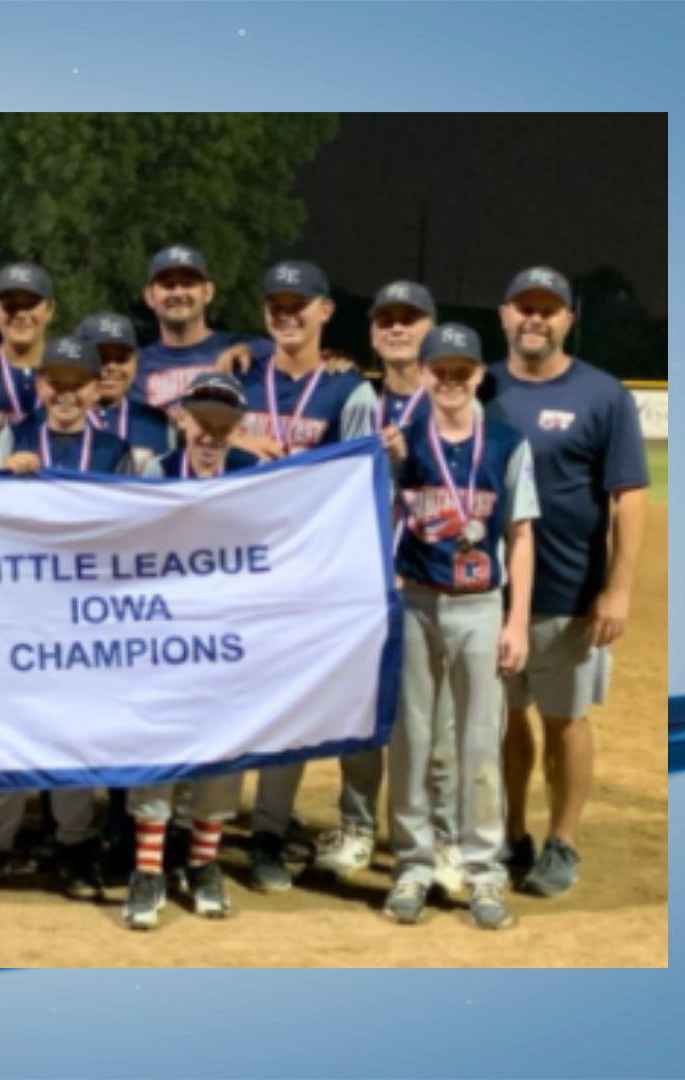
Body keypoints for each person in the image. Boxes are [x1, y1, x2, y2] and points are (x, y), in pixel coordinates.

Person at [0, 336, 162, 902]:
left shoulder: (116, 449)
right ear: (40, 386)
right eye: (57, 382)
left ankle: (75, 843)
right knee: (8, 723)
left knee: (76, 728)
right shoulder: (16, 437)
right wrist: (6, 477)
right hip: (18, 605)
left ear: (98, 389)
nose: (67, 392)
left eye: (79, 382)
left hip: (84, 608)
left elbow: (133, 526)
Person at [486, 266, 649, 899]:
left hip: (567, 591)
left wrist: (618, 588)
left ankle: (564, 840)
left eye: (548, 309)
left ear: (566, 320)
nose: (535, 318)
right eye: (524, 306)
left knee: (565, 720)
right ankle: (510, 832)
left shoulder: (602, 394)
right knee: (502, 721)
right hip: (485, 593)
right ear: (504, 315)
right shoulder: (477, 386)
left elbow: (628, 499)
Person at [383, 323, 536, 932]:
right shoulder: (404, 442)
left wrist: (517, 620)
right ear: (422, 374)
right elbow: (381, 516)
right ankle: (413, 866)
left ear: (478, 374)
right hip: (417, 602)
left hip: (479, 605)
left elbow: (521, 536)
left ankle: (483, 872)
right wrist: (389, 465)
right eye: (438, 370)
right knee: (412, 740)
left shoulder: (505, 441)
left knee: (479, 747)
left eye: (461, 370)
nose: (449, 381)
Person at [237, 259, 381, 894]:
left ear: (326, 311)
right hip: (232, 567)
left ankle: (268, 830)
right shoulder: (238, 382)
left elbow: (360, 489)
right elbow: (192, 445)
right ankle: (192, 826)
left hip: (303, 576)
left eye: (299, 303)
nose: (285, 313)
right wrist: (239, 438)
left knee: (284, 706)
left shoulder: (349, 393)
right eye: (275, 302)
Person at [310, 280, 443, 885]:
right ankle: (358, 827)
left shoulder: (455, 400)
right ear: (369, 333)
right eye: (385, 320)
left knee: (423, 718)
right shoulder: (350, 397)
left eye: (410, 320)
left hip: (426, 579)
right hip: (359, 583)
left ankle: (429, 837)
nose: (397, 329)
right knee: (362, 711)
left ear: (430, 330)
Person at [121, 371, 263, 930]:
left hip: (229, 637)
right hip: (164, 634)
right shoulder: (155, 474)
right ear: (181, 418)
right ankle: (149, 869)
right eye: (203, 421)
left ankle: (203, 862)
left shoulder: (255, 476)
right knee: (156, 741)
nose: (211, 433)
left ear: (239, 427)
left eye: (224, 424)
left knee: (224, 748)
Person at [133, 245, 274, 413]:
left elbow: (294, 357)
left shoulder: (238, 351)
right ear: (150, 296)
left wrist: (252, 349)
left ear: (207, 292)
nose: (178, 293)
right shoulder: (134, 366)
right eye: (168, 285)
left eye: (188, 284)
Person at [76, 312, 177, 474]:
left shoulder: (158, 424)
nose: (112, 367)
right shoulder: (50, 421)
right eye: (100, 358)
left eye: (122, 358)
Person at [0, 262, 54, 436]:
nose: (20, 314)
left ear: (50, 311)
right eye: (10, 305)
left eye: (30, 304)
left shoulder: (69, 375)